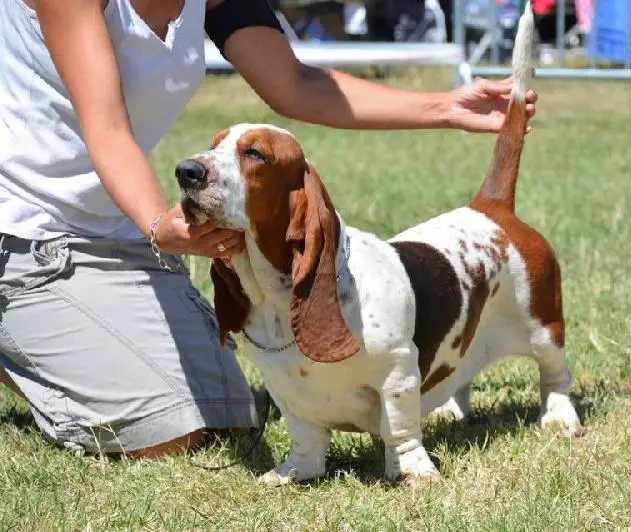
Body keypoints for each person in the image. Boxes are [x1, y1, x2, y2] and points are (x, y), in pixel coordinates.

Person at [0, 0, 537, 458]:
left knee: (230, 415)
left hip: (124, 234)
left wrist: (446, 107)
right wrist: (157, 221)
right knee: (160, 433)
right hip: (28, 232)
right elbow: (108, 128)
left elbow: (296, 84)